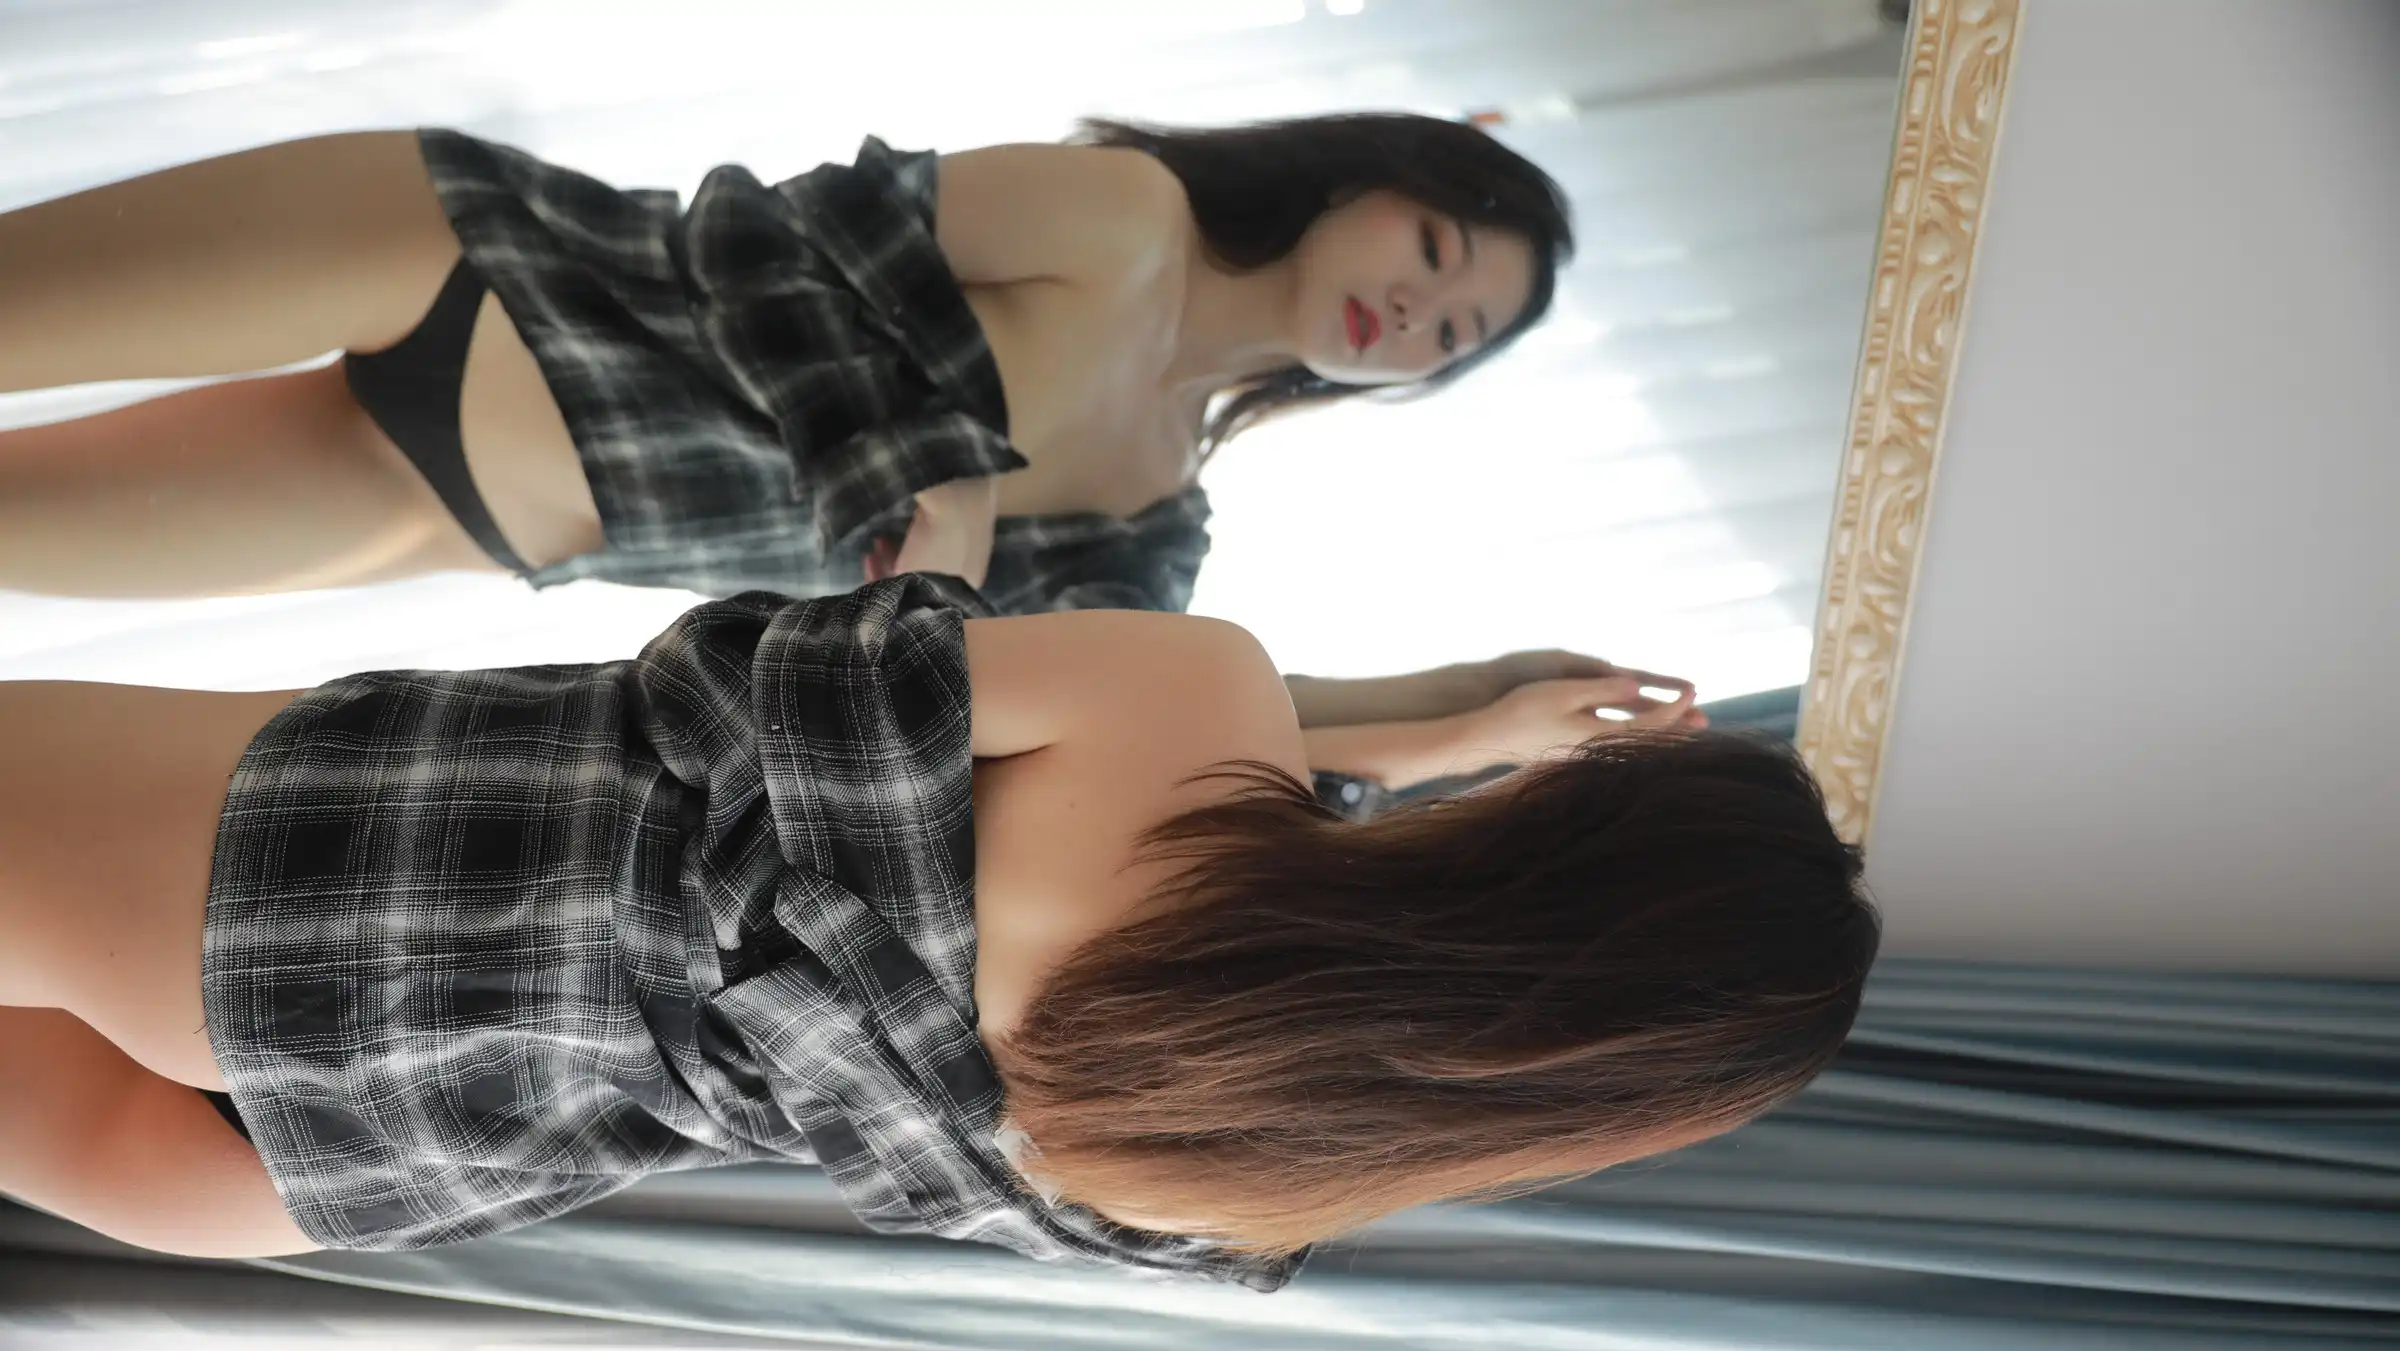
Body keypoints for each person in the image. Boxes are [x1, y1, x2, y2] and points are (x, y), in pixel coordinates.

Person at [0, 577, 1878, 1287]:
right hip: (413, 1140)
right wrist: (1431, 742)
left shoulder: (1194, 701)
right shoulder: (1228, 1185)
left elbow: (768, 675)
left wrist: (1455, 720)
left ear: (1563, 828)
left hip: (381, 875)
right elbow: (1246, 870)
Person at [0, 111, 1697, 805]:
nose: (1418, 309)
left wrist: (1479, 711)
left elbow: (1195, 718)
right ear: (1364, 182)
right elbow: (765, 231)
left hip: (461, 507)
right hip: (477, 262)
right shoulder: (1129, 217)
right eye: (1434, 249)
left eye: (1457, 331)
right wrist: (930, 467)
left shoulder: (1154, 520)